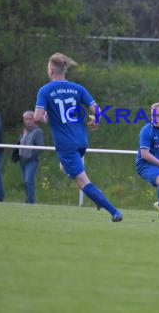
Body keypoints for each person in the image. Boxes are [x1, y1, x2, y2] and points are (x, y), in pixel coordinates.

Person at [34, 52, 122, 222]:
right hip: (81, 140)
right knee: (63, 167)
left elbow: (37, 117)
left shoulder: (45, 90)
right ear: (63, 70)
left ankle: (113, 211)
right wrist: (95, 121)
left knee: (82, 181)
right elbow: (97, 111)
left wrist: (47, 116)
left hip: (65, 144)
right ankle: (96, 195)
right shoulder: (77, 88)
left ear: (51, 71)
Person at [18, 111, 44, 204]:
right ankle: (27, 199)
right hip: (22, 160)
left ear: (34, 120)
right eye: (26, 119)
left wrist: (31, 156)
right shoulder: (24, 131)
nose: (28, 121)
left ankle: (31, 201)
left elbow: (40, 147)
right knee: (25, 181)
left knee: (28, 180)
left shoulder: (38, 131)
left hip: (32, 160)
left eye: (30, 119)